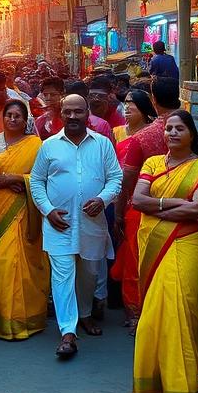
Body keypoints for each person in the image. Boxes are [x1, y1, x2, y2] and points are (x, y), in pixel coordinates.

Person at [128, 110, 198, 393]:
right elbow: (137, 201)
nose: (173, 133)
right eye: (169, 128)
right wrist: (172, 204)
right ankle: (149, 383)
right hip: (154, 240)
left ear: (192, 133)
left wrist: (165, 208)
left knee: (181, 307)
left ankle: (184, 392)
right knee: (153, 310)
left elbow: (197, 209)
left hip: (189, 240)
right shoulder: (153, 163)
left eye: (180, 128)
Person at [30, 95, 122, 359]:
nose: (72, 116)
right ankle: (68, 332)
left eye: (78, 112)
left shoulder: (103, 144)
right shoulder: (49, 146)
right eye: (67, 111)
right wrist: (47, 211)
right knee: (62, 277)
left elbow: (115, 177)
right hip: (59, 223)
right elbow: (37, 182)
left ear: (87, 113)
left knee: (89, 273)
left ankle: (84, 314)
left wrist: (103, 199)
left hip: (92, 223)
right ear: (61, 112)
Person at [0, 100, 48, 340]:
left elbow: (41, 176)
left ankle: (21, 315)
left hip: (23, 206)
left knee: (12, 259)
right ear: (3, 117)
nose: (13, 119)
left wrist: (19, 178)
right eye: (9, 115)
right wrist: (4, 181)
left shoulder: (35, 144)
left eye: (18, 116)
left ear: (25, 119)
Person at [110, 89, 159, 327]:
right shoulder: (117, 133)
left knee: (143, 258)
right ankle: (132, 310)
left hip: (142, 201)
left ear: (145, 109)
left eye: (133, 105)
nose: (127, 108)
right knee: (129, 258)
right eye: (125, 104)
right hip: (119, 199)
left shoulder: (151, 136)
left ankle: (149, 307)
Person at [35, 76, 114, 143]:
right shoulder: (40, 122)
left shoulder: (97, 124)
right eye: (45, 95)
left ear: (63, 95)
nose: (48, 99)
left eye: (53, 95)